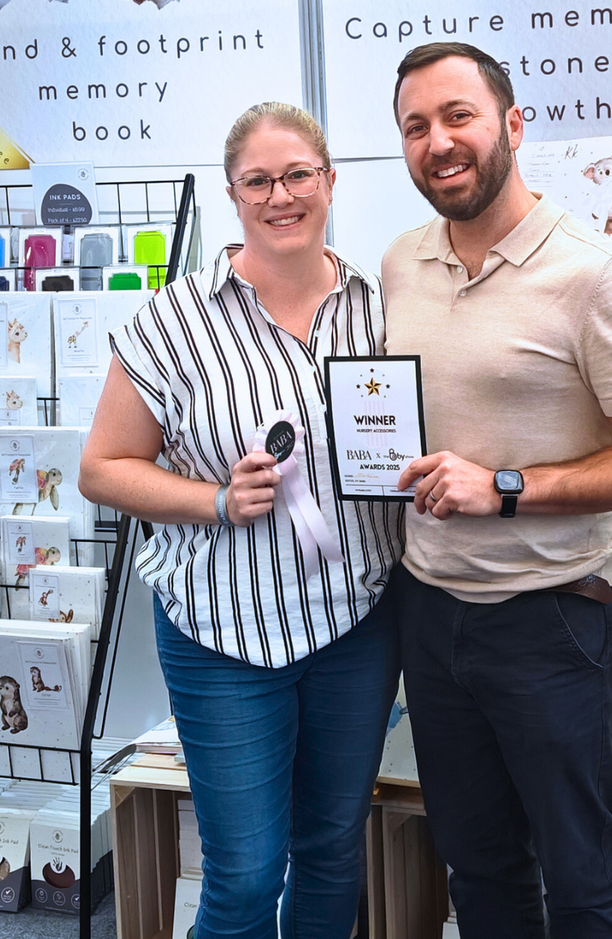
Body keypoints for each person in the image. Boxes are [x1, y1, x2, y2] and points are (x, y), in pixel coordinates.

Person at [381, 42, 612, 938]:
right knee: (477, 870)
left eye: (458, 116)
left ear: (513, 126)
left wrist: (506, 486)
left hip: (552, 618)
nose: (438, 142)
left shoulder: (595, 277)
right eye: (415, 126)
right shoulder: (401, 262)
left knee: (583, 877)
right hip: (432, 613)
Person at [80, 102, 402, 939]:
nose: (280, 195)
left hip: (355, 624)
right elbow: (102, 469)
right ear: (232, 194)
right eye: (257, 180)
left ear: (330, 183)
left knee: (333, 850)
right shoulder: (172, 319)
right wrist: (215, 500)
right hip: (225, 633)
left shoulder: (380, 307)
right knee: (246, 873)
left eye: (298, 175)